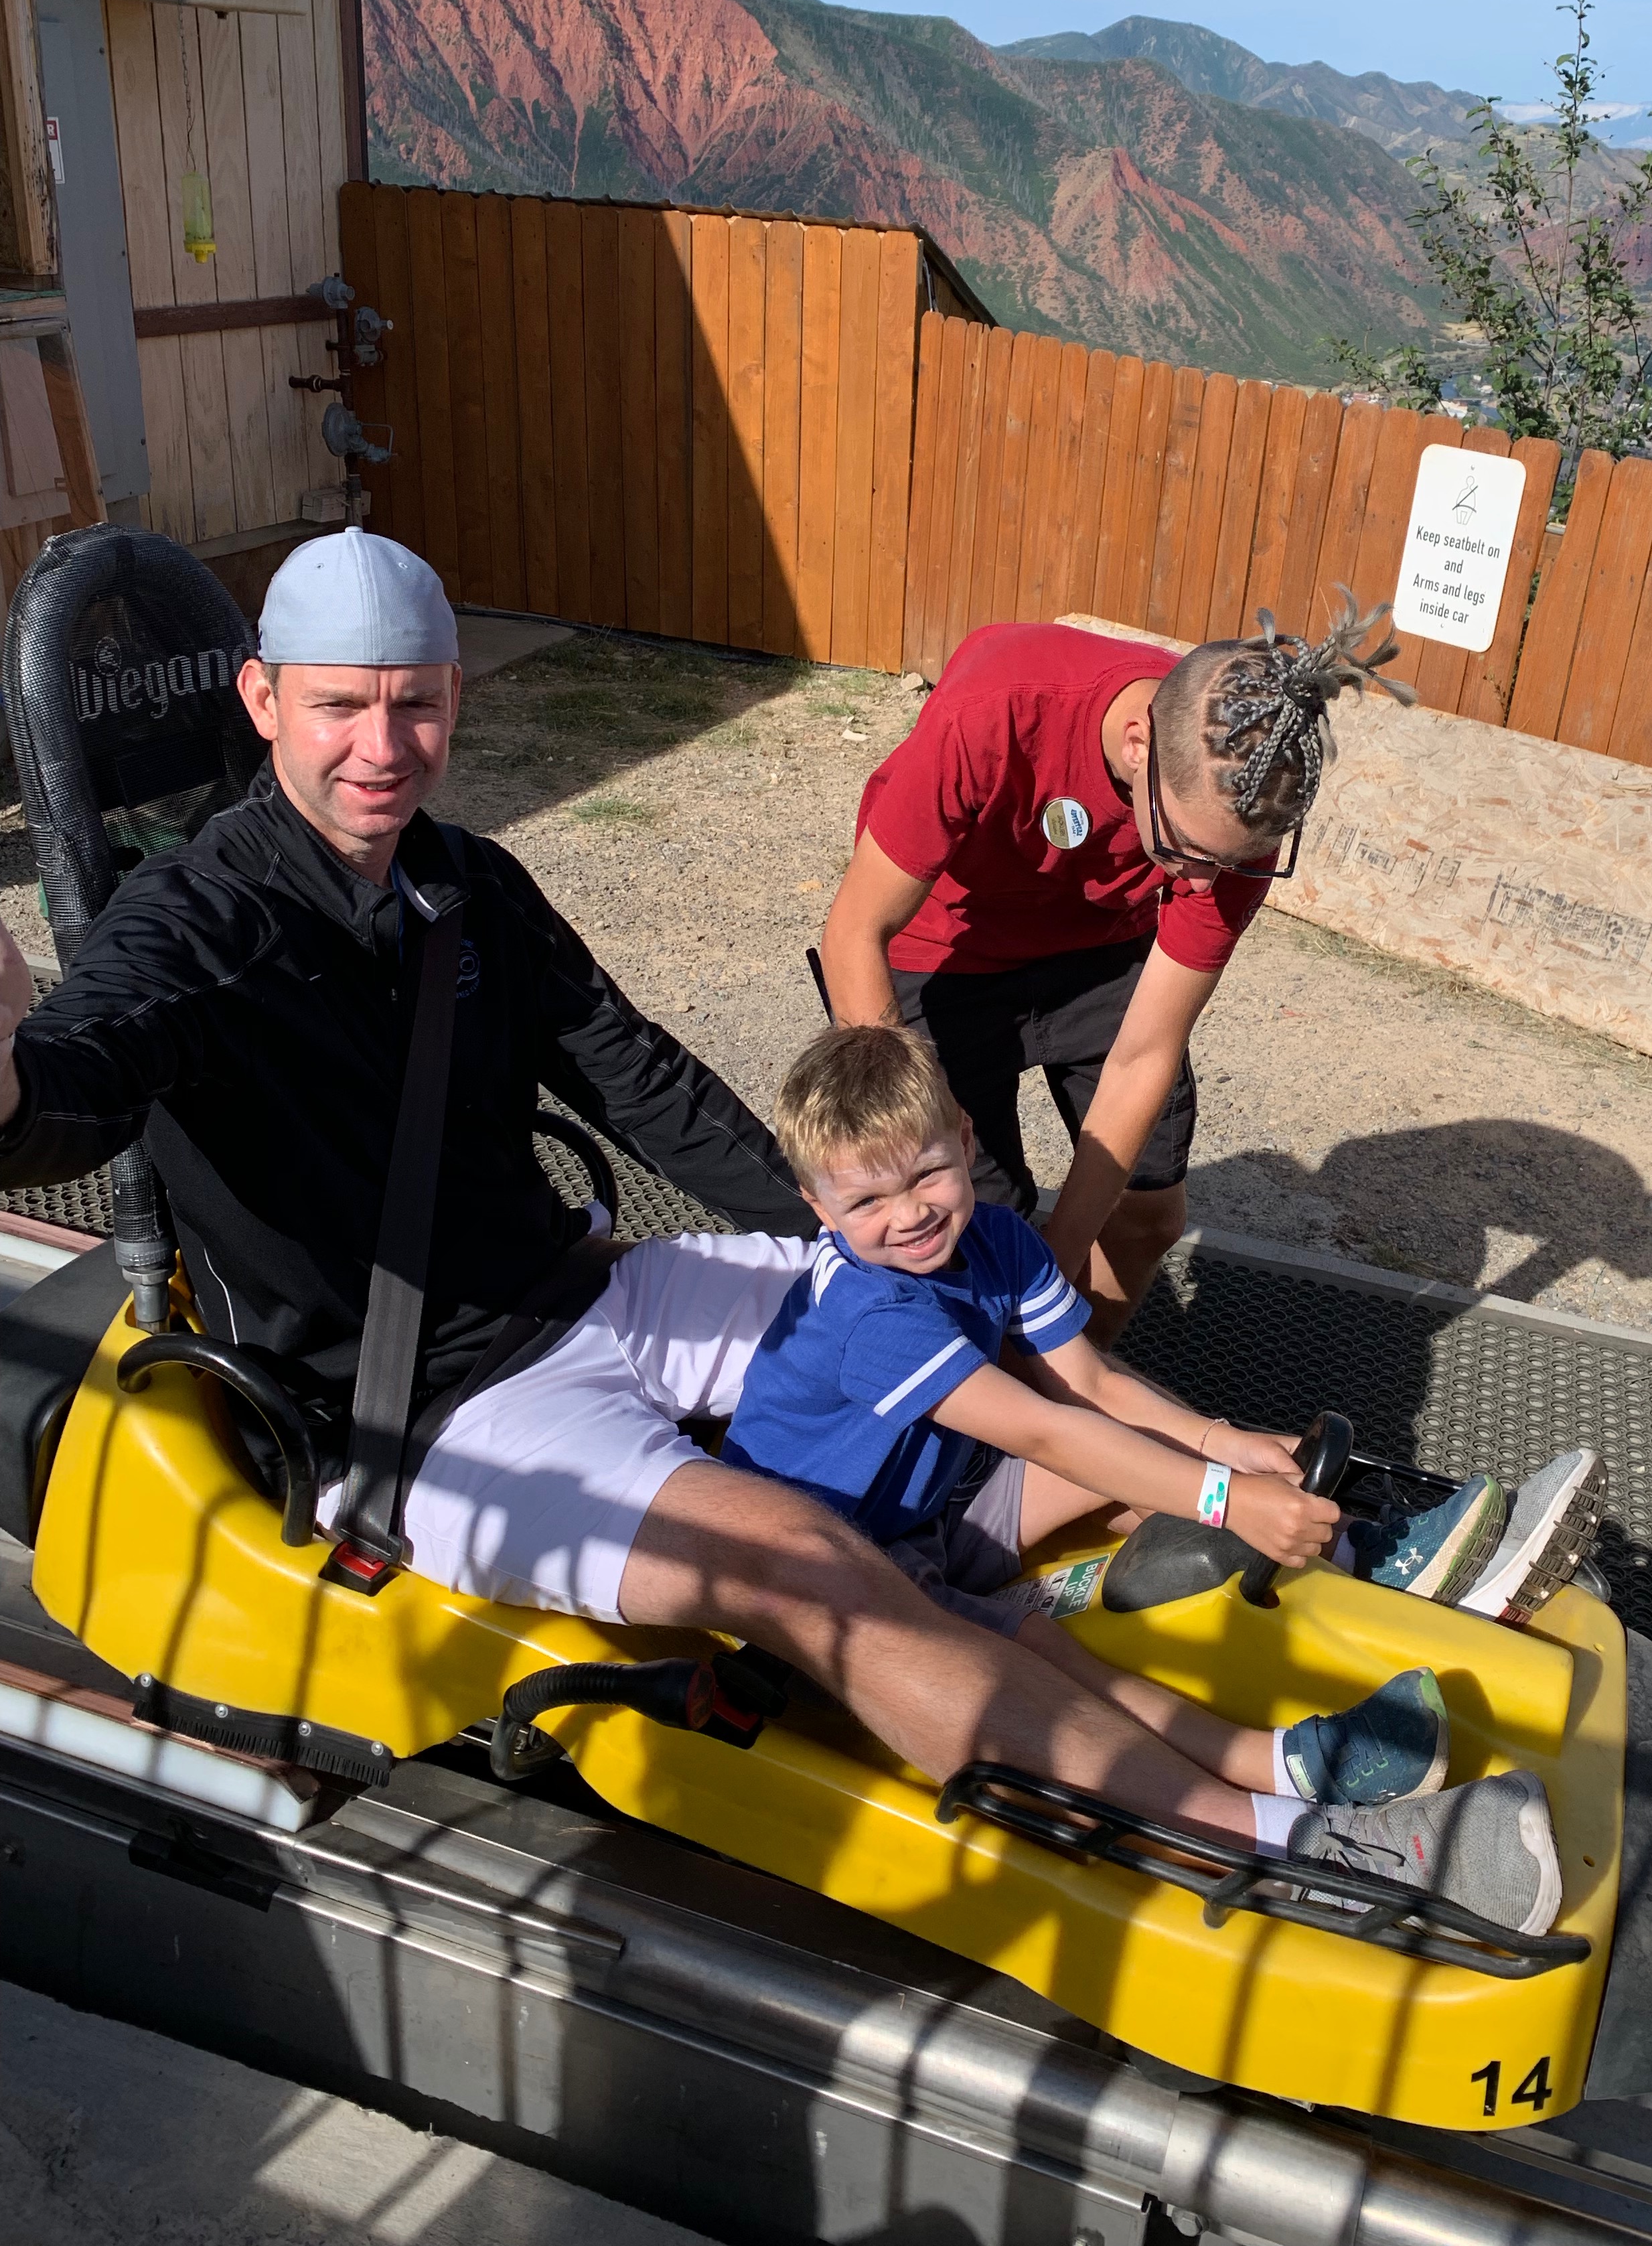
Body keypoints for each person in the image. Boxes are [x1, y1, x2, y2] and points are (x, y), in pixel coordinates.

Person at [0, 528, 1547, 1922]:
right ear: (264, 698)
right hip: (433, 1417)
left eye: (415, 705)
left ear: (455, 697)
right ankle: (1281, 1837)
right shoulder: (191, 932)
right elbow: (65, 1093)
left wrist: (853, 1223)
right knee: (804, 1559)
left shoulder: (470, 889)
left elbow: (645, 1085)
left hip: (594, 1295)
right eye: (341, 707)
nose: (382, 746)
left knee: (953, 1302)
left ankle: (1210, 1558)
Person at [820, 603, 1602, 1621]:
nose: (1201, 882)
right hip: (942, 951)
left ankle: (1051, 1408)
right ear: (1139, 741)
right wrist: (907, 1142)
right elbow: (854, 933)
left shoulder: (1235, 808)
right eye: (1185, 853)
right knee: (969, 1250)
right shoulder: (1003, 708)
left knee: (1134, 1223)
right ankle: (1042, 1444)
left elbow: (1145, 1050)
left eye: (1231, 866)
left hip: (1090, 956)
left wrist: (1057, 1265)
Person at [723, 1020, 1458, 1816]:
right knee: (1035, 1646)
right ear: (818, 1206)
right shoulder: (870, 1313)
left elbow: (1092, 1390)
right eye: (867, 1200)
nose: (909, 1215)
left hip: (928, 1514)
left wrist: (1228, 1447)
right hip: (831, 1573)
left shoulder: (998, 1239)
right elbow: (1048, 1432)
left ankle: (1364, 1556)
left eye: (926, 1174)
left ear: (965, 1141)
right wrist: (1223, 1496)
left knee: (1158, 1457)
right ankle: (1270, 1769)